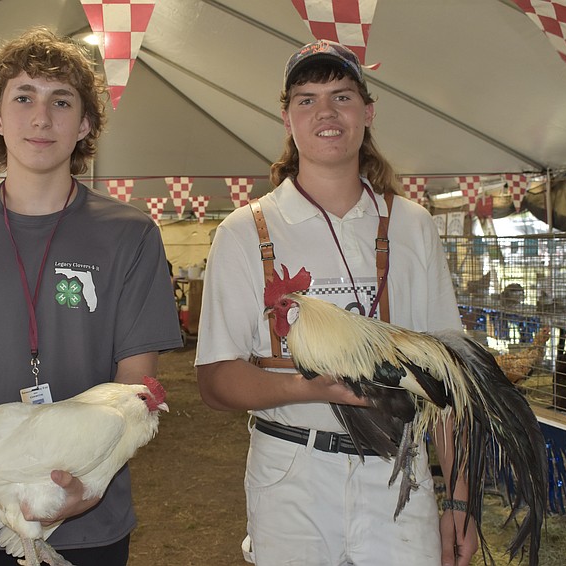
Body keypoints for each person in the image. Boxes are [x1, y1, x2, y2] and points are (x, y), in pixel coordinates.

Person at [0, 27, 182, 565]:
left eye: (62, 101)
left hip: (88, 517)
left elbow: (135, 380)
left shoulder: (130, 234)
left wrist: (86, 489)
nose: (42, 118)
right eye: (23, 98)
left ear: (86, 124)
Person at [195, 40, 479, 566]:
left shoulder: (413, 225)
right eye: (306, 100)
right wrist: (306, 388)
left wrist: (460, 500)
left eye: (342, 97)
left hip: (399, 469)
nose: (325, 112)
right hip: (291, 470)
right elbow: (215, 380)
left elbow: (448, 380)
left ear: (367, 113)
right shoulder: (245, 230)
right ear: (287, 119)